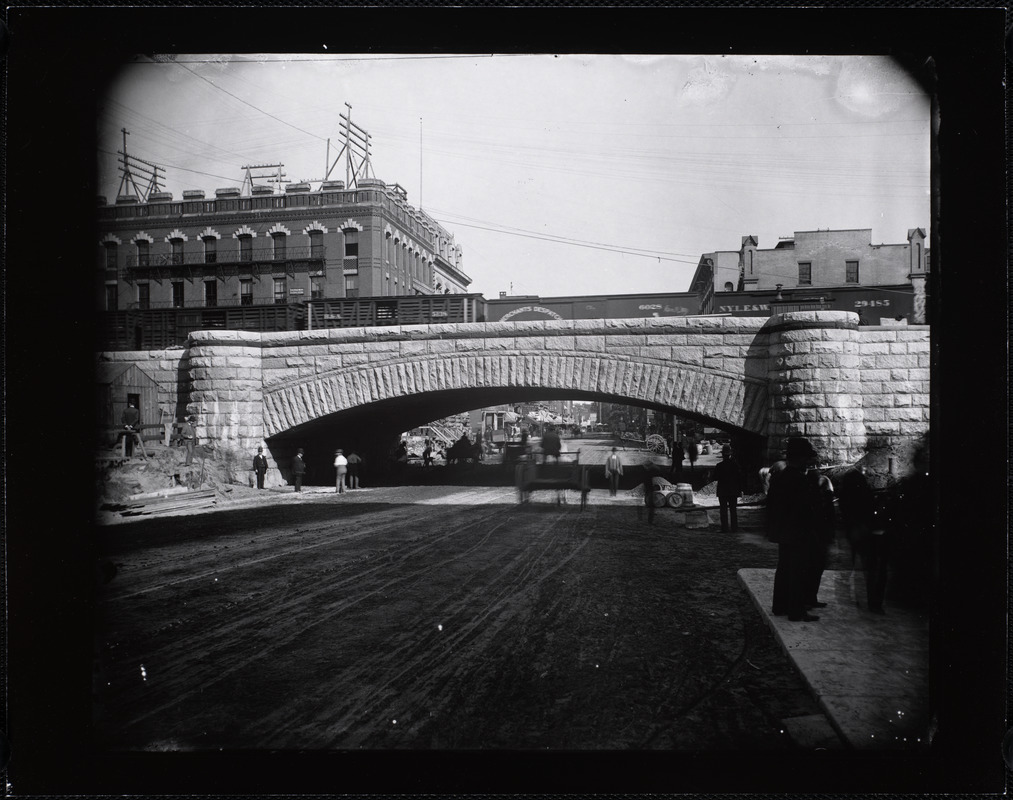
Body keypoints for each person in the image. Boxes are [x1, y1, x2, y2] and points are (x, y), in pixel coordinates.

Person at [766, 437, 822, 622]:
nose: (808, 461)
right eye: (806, 457)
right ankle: (796, 611)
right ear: (800, 458)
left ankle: (779, 605)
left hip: (783, 531)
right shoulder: (799, 479)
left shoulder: (780, 476)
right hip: (798, 532)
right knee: (798, 571)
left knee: (783, 569)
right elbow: (806, 509)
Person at [837, 465, 887, 613]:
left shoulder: (847, 491)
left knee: (855, 568)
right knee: (871, 569)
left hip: (853, 530)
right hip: (864, 530)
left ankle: (856, 600)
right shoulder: (862, 489)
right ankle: (873, 603)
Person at [805, 465, 837, 610]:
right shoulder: (819, 495)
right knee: (814, 569)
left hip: (817, 536)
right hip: (817, 536)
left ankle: (811, 598)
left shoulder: (813, 494)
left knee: (814, 569)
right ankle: (809, 598)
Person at [713, 444, 745, 533]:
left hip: (723, 491)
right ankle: (734, 528)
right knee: (733, 510)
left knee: (723, 510)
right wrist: (740, 489)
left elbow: (715, 477)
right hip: (733, 491)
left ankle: (725, 528)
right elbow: (740, 478)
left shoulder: (719, 466)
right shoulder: (735, 465)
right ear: (730, 454)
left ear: (723, 455)